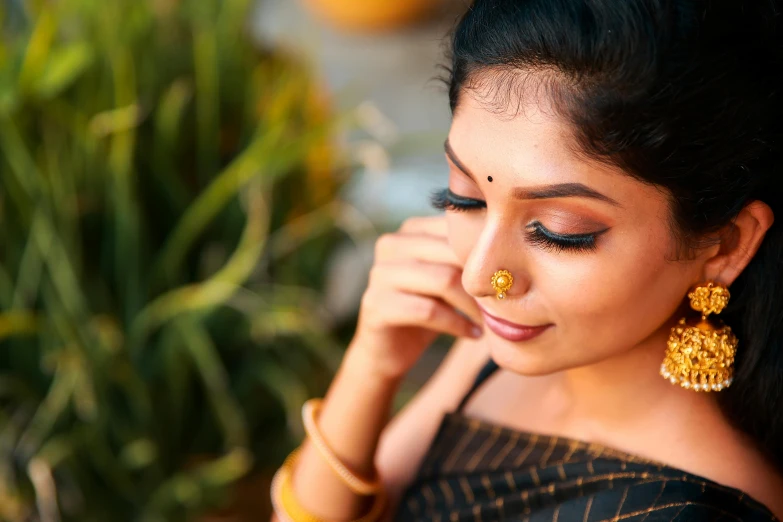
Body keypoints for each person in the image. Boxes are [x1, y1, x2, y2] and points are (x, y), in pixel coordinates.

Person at [269, 0, 783, 520]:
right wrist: (371, 367)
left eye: (559, 233)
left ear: (723, 245)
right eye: (465, 197)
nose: (478, 277)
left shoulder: (685, 510)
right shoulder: (502, 348)